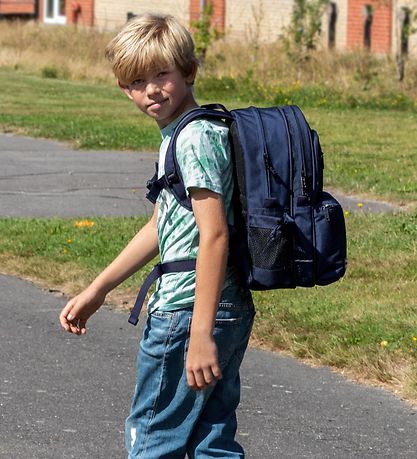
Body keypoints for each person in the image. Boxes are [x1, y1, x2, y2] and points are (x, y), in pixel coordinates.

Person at [59, 13, 255, 459]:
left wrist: (200, 333)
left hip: (188, 313)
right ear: (123, 88)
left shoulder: (191, 140)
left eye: (161, 74)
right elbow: (160, 225)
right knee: (212, 441)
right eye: (135, 81)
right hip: (221, 307)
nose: (150, 89)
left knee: (153, 440)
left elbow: (215, 235)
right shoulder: (193, 131)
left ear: (189, 71)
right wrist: (98, 290)